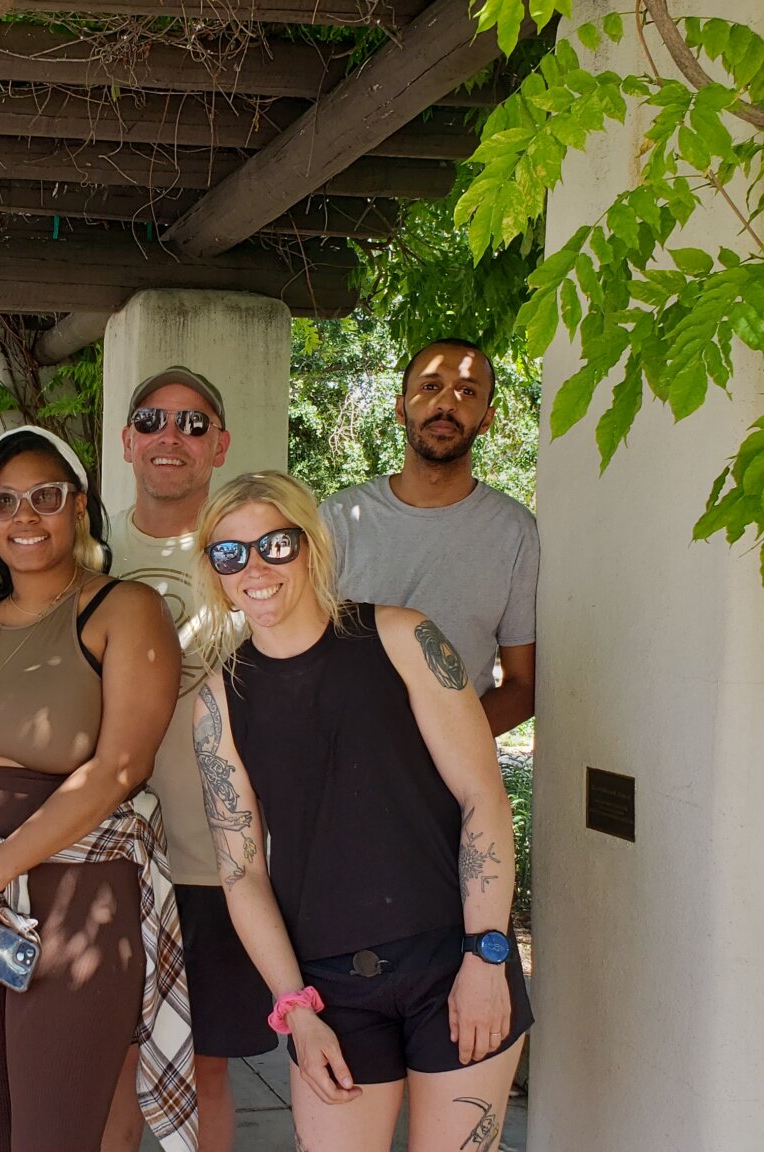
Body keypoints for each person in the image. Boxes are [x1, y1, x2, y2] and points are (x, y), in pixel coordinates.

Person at [190, 470, 532, 1151]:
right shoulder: (219, 699)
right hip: (328, 988)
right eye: (230, 554)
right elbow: (242, 872)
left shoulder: (404, 639)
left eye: (274, 545)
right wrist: (295, 1009)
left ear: (311, 546)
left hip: (453, 960)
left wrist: (486, 957)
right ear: (216, 573)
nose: (254, 568)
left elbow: (481, 798)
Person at [0, 426, 198, 1152]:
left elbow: (122, 766)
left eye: (45, 497)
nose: (24, 517)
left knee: (52, 1137)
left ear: (78, 507)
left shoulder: (125, 609)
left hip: (76, 896)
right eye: (3, 502)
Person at [99, 368, 273, 1152]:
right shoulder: (87, 547)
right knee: (110, 1061)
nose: (174, 436)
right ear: (129, 440)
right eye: (155, 421)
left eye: (195, 424)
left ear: (221, 444)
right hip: (100, 846)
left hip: (213, 858)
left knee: (202, 1068)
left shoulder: (252, 550)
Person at [319, 339, 539, 734]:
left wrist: (437, 744)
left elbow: (523, 686)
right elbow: (300, 659)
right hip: (344, 762)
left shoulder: (515, 531)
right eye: (430, 386)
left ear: (487, 419)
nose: (447, 403)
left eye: (467, 391)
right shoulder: (337, 519)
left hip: (454, 783)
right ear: (401, 407)